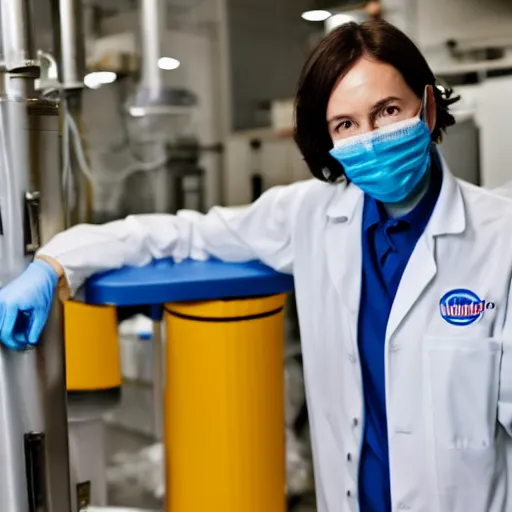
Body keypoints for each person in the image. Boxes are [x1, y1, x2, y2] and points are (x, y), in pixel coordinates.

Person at [1, 19, 512, 512]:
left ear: (426, 107)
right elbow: (183, 234)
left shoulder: (500, 238)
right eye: (346, 124)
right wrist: (56, 262)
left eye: (387, 110)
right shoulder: (312, 214)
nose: (371, 138)